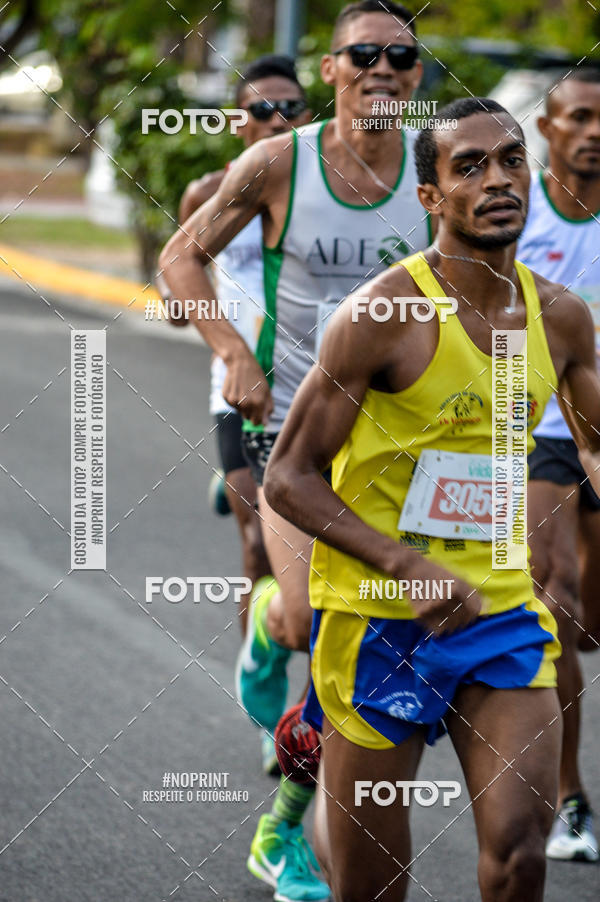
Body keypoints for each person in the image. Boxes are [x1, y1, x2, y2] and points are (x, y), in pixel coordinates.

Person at [262, 97, 600, 902]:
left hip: (499, 611)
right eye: (469, 166)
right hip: (381, 618)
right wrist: (407, 566)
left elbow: (593, 440)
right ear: (430, 197)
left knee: (520, 849)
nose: (497, 179)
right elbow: (289, 475)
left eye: (511, 160)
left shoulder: (558, 317)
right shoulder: (383, 315)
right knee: (375, 886)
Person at [159, 4, 430, 899]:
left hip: (391, 438)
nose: (383, 68)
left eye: (401, 55)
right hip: (285, 427)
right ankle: (280, 610)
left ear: (417, 74)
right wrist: (232, 353)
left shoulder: (432, 173)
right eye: (365, 54)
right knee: (314, 623)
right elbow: (179, 260)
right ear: (332, 69)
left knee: (368, 638)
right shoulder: (281, 162)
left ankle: (287, 826)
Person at [161, 53, 311, 777]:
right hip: (242, 396)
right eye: (262, 110)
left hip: (325, 400)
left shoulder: (318, 191)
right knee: (259, 554)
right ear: (235, 119)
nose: (277, 121)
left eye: (290, 109)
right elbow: (174, 295)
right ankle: (268, 718)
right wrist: (229, 345)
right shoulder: (207, 192)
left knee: (323, 571)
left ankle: (315, 718)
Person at [517, 67, 600, 861]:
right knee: (559, 602)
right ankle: (571, 797)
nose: (595, 133)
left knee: (592, 624)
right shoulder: (517, 210)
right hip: (542, 426)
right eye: (580, 117)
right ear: (549, 129)